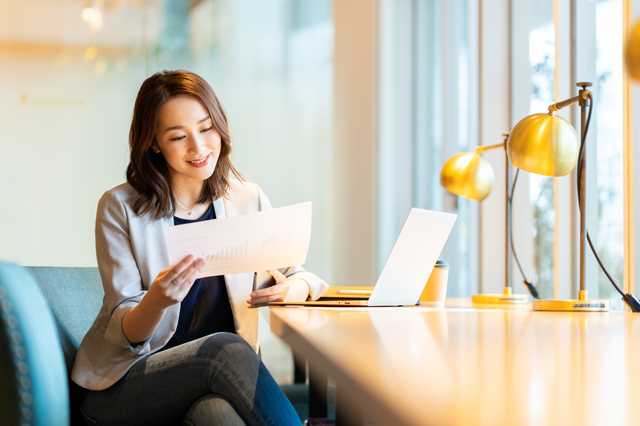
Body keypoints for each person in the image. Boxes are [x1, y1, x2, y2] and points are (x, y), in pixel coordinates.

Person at [71, 69, 329, 426]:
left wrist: (291, 288)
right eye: (178, 136)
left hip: (209, 385)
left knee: (220, 418)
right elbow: (127, 334)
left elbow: (298, 277)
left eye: (207, 128)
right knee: (224, 349)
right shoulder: (120, 207)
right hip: (124, 386)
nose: (199, 147)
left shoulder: (246, 199)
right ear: (154, 143)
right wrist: (157, 299)